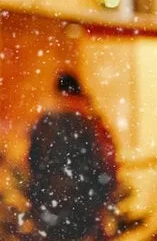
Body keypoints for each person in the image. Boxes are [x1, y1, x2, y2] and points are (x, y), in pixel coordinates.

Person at [27, 72, 118, 241]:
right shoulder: (91, 122)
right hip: (85, 205)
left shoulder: (45, 124)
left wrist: (39, 199)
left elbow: (34, 164)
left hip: (52, 205)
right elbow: (106, 163)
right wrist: (103, 199)